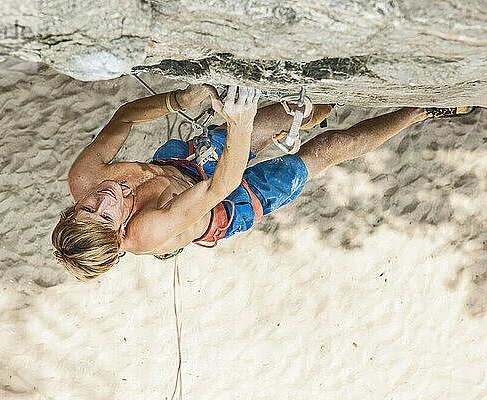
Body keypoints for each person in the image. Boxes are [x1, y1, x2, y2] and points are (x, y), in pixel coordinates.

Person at [51, 83, 473, 281]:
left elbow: (123, 115)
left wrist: (183, 99)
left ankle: (331, 97)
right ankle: (421, 110)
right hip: (223, 205)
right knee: (322, 150)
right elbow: (222, 185)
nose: (104, 200)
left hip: (186, 168)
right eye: (106, 218)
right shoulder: (148, 228)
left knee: (292, 114)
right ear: (120, 231)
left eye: (88, 208)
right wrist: (238, 125)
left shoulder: (86, 178)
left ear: (74, 206)